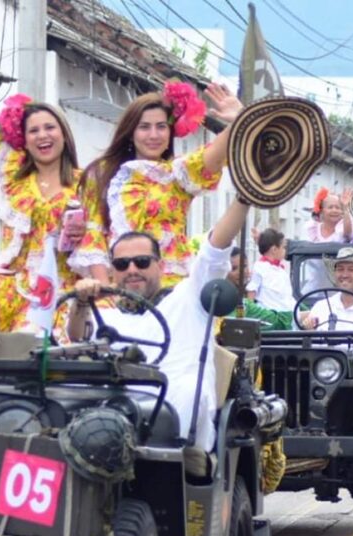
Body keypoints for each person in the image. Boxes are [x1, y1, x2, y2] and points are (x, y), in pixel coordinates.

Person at [0, 23, 102, 332]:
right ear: (24, 139)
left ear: (64, 133)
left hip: (61, 292)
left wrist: (100, 289)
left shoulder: (85, 183)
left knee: (37, 347)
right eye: (33, 131)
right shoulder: (12, 172)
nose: (43, 136)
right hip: (11, 284)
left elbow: (98, 244)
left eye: (50, 128)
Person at [67, 200, 249, 451]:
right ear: (112, 272)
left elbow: (215, 249)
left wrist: (244, 198)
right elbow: (77, 337)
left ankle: (178, 458)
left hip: (177, 436)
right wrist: (81, 300)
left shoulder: (188, 297)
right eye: (122, 264)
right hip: (114, 429)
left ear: (160, 266)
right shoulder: (105, 319)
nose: (132, 270)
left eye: (141, 262)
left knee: (186, 391)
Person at [79, 82, 244, 286]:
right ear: (131, 133)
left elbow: (211, 156)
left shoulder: (177, 173)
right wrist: (106, 292)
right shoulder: (102, 174)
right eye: (144, 127)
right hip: (120, 286)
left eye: (161, 127)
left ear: (170, 133)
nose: (154, 135)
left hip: (170, 287)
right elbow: (93, 235)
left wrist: (240, 121)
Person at [299, 247, 353, 331]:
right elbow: (310, 342)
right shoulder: (320, 307)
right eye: (340, 269)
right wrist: (309, 332)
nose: (345, 275)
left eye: (351, 270)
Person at [228, 248, 293, 330]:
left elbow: (295, 306)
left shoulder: (261, 288)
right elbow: (281, 322)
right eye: (234, 268)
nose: (241, 272)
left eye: (244, 266)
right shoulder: (239, 302)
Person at [246, 229, 295, 311]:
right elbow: (252, 291)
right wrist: (249, 311)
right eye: (283, 247)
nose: (285, 250)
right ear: (274, 250)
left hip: (288, 314)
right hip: (270, 316)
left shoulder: (281, 270)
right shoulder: (260, 267)